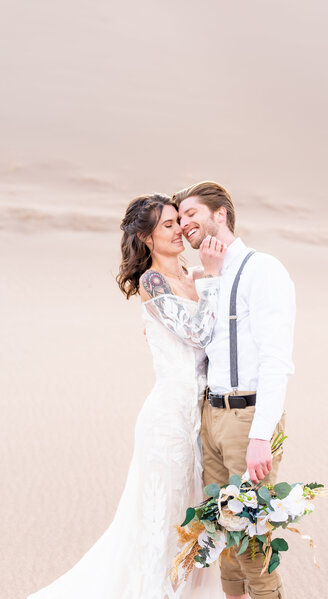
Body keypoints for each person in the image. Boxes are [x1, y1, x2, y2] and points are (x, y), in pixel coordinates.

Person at [26, 194, 226, 599]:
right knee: (163, 521)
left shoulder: (189, 276)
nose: (177, 231)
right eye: (167, 225)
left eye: (177, 222)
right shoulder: (154, 281)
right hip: (168, 421)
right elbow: (199, 335)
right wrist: (215, 278)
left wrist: (204, 282)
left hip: (198, 416)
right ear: (147, 238)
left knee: (191, 519)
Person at [173, 182, 296, 599]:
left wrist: (261, 435)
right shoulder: (206, 275)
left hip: (248, 417)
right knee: (223, 530)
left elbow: (276, 359)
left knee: (253, 537)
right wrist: (209, 278)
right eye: (180, 216)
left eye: (192, 213)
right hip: (212, 416)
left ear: (220, 214)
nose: (185, 222)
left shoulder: (263, 268)